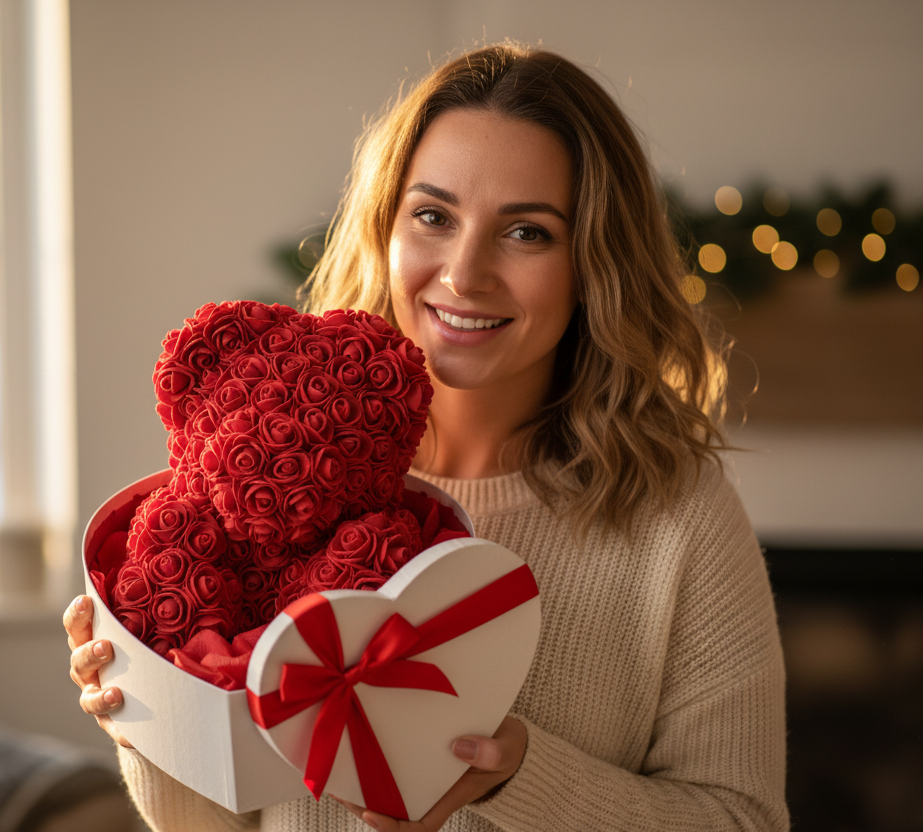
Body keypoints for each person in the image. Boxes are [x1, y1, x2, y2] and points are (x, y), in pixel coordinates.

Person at [64, 42, 787, 832]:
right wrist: (148, 712)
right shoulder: (276, 482)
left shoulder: (678, 516)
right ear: (386, 227)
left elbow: (742, 820)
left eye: (528, 233)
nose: (464, 273)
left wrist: (515, 780)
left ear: (594, 262)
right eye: (434, 217)